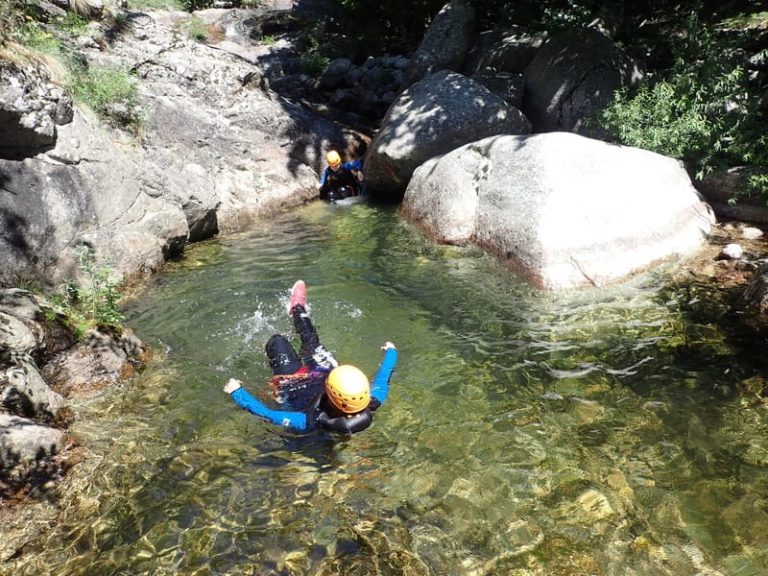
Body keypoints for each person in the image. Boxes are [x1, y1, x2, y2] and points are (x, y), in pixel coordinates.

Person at [223, 280, 398, 435]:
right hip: (321, 371)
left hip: (294, 383)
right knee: (311, 342)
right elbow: (383, 378)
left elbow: (267, 414)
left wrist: (237, 393)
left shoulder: (307, 420)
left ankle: (289, 323)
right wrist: (391, 352)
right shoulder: (373, 400)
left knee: (277, 341)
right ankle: (297, 308)